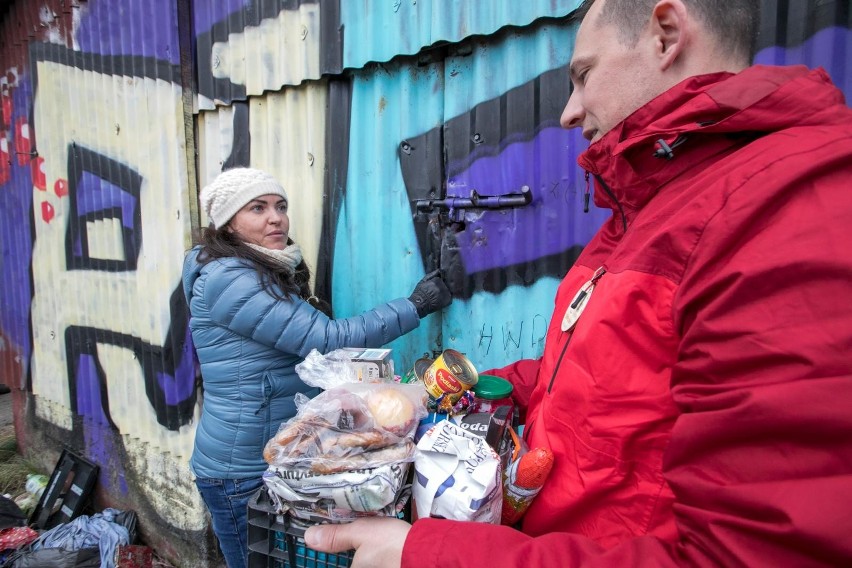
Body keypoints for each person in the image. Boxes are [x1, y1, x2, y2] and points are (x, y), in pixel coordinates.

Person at [304, 0, 852, 565]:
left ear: (666, 35)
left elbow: (753, 554)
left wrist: (427, 556)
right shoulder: (644, 214)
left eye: (584, 75)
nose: (568, 112)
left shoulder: (784, 204)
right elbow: (582, 384)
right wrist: (425, 395)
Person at [181, 167, 452, 568]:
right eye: (257, 208)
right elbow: (324, 340)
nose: (276, 217)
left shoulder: (258, 268)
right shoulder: (230, 279)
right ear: (228, 224)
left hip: (273, 455)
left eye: (280, 206)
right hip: (239, 468)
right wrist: (415, 306)